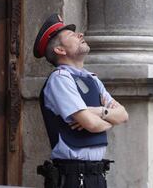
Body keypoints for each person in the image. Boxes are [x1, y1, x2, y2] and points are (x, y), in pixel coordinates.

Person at [34, 14, 128, 188]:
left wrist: (99, 112)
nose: (80, 35)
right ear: (60, 50)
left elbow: (123, 115)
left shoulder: (92, 79)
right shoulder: (60, 79)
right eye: (72, 35)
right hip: (73, 177)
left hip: (97, 175)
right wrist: (106, 118)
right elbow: (93, 125)